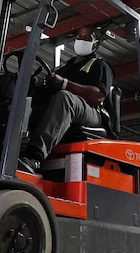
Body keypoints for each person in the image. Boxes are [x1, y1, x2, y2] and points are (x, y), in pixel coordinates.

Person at [18, 26, 113, 174]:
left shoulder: (99, 65)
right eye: (79, 37)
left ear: (95, 44)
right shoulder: (64, 68)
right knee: (25, 103)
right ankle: (12, 149)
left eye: (87, 38)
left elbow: (98, 96)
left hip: (91, 113)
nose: (82, 40)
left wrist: (64, 84)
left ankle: (34, 157)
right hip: (66, 108)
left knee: (64, 98)